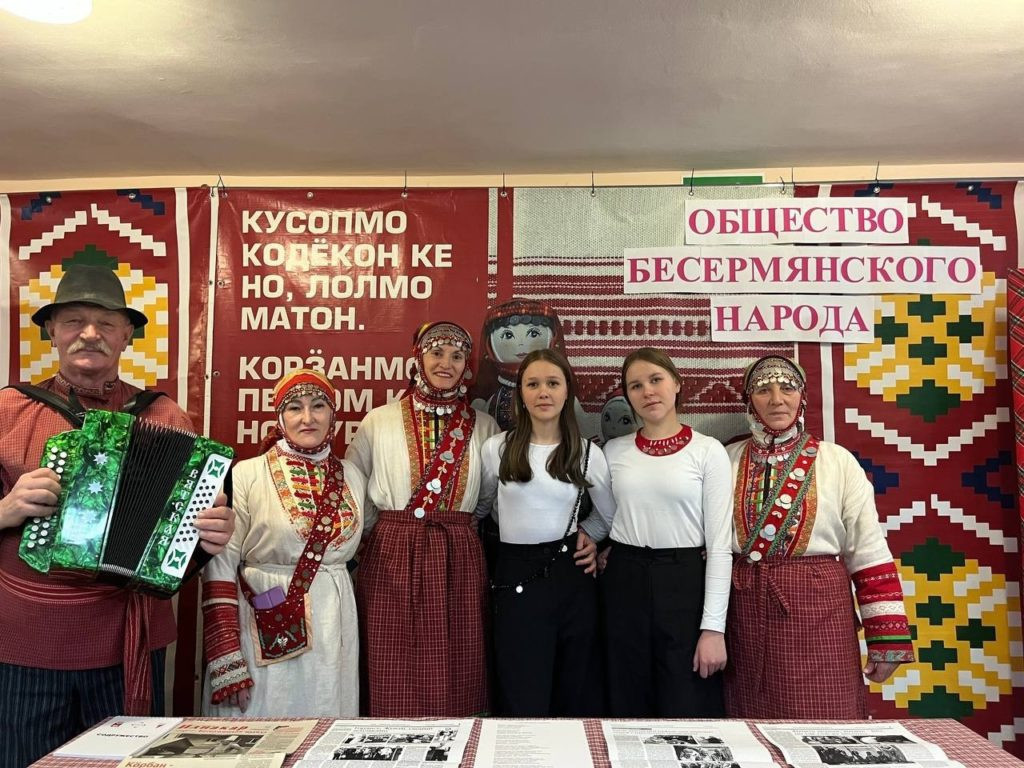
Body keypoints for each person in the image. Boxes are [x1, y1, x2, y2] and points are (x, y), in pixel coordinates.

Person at [0, 263, 234, 768]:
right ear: (51, 331)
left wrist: (208, 537)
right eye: (74, 321)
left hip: (127, 641)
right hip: (25, 642)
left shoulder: (166, 417)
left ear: (127, 335)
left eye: (106, 323)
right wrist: (5, 509)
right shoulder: (8, 411)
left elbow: (185, 546)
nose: (90, 333)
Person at [724, 355, 914, 718]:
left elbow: (868, 549)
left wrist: (885, 639)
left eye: (787, 388)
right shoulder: (727, 460)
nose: (777, 399)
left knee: (828, 718)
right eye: (763, 390)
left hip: (821, 611)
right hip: (744, 614)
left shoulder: (837, 461)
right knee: (750, 723)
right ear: (749, 400)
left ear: (802, 397)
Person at [348, 321, 499, 717]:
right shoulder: (378, 421)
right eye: (436, 353)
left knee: (459, 655)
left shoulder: (484, 426)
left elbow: (486, 496)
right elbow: (354, 488)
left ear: (467, 365)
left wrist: (455, 527)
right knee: (391, 655)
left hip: (457, 552)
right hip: (391, 552)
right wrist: (386, 532)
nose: (446, 363)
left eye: (457, 356)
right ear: (418, 359)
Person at [201, 368, 365, 716]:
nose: (307, 418)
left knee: (327, 714)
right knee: (262, 720)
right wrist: (226, 655)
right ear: (279, 416)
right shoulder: (247, 474)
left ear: (333, 415)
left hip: (334, 622)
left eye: (318, 406)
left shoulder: (352, 475)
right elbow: (220, 565)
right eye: (294, 408)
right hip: (263, 622)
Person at [475, 348, 615, 716]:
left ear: (567, 391)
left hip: (571, 576)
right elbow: (482, 510)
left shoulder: (586, 453)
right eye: (533, 384)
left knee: (574, 688)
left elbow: (609, 517)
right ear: (520, 392)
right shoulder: (496, 449)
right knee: (521, 688)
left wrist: (588, 535)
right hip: (514, 576)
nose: (543, 392)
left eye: (552, 383)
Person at [601, 347, 732, 717]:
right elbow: (609, 518)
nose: (648, 391)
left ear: (676, 383)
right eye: (636, 386)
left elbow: (719, 546)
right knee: (626, 699)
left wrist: (713, 629)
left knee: (685, 701)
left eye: (656, 380)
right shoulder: (613, 452)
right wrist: (586, 537)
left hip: (685, 583)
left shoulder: (708, 452)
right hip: (624, 581)